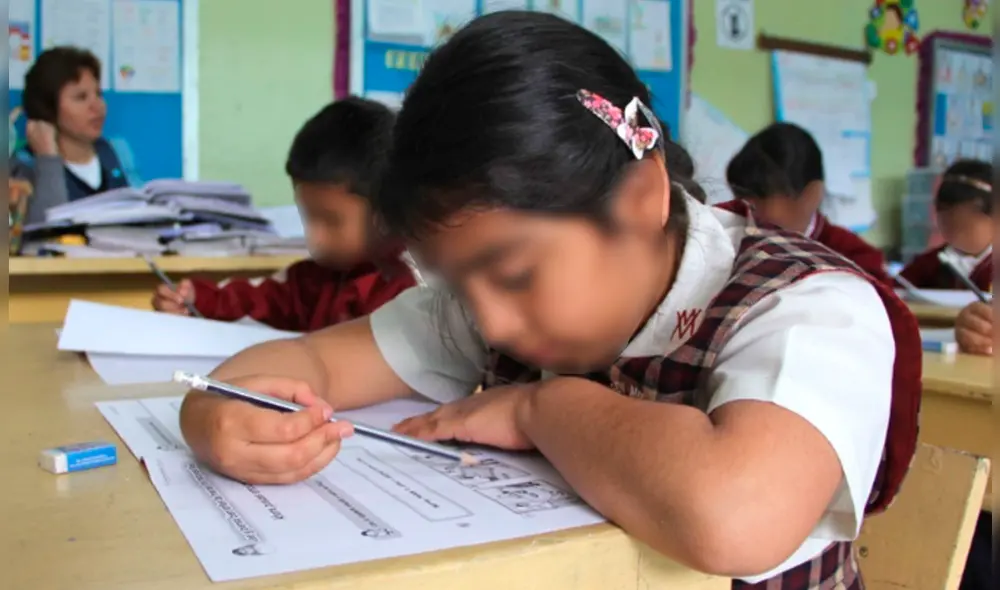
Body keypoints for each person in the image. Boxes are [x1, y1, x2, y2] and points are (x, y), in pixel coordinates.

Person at [178, 12, 921, 589]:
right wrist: (220, 409)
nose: (491, 319)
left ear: (639, 199)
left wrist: (542, 407)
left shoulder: (809, 307)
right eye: (458, 282)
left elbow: (737, 517)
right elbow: (313, 360)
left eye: (516, 275)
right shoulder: (490, 292)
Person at [152, 98, 418, 332]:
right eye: (307, 217)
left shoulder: (409, 291)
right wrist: (199, 298)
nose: (315, 239)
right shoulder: (314, 278)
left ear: (386, 210)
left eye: (330, 221)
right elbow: (260, 299)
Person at [724, 122, 893, 285]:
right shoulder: (732, 245)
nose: (746, 211)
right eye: (741, 197)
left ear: (811, 195)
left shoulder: (855, 259)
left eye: (759, 200)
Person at [13, 46, 129, 224]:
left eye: (98, 94)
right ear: (48, 108)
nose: (97, 106)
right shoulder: (24, 165)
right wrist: (47, 159)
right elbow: (44, 233)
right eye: (81, 97)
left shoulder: (114, 151)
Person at [898, 159, 993, 292]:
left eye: (965, 225)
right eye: (949, 224)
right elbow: (894, 293)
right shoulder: (930, 264)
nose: (957, 235)